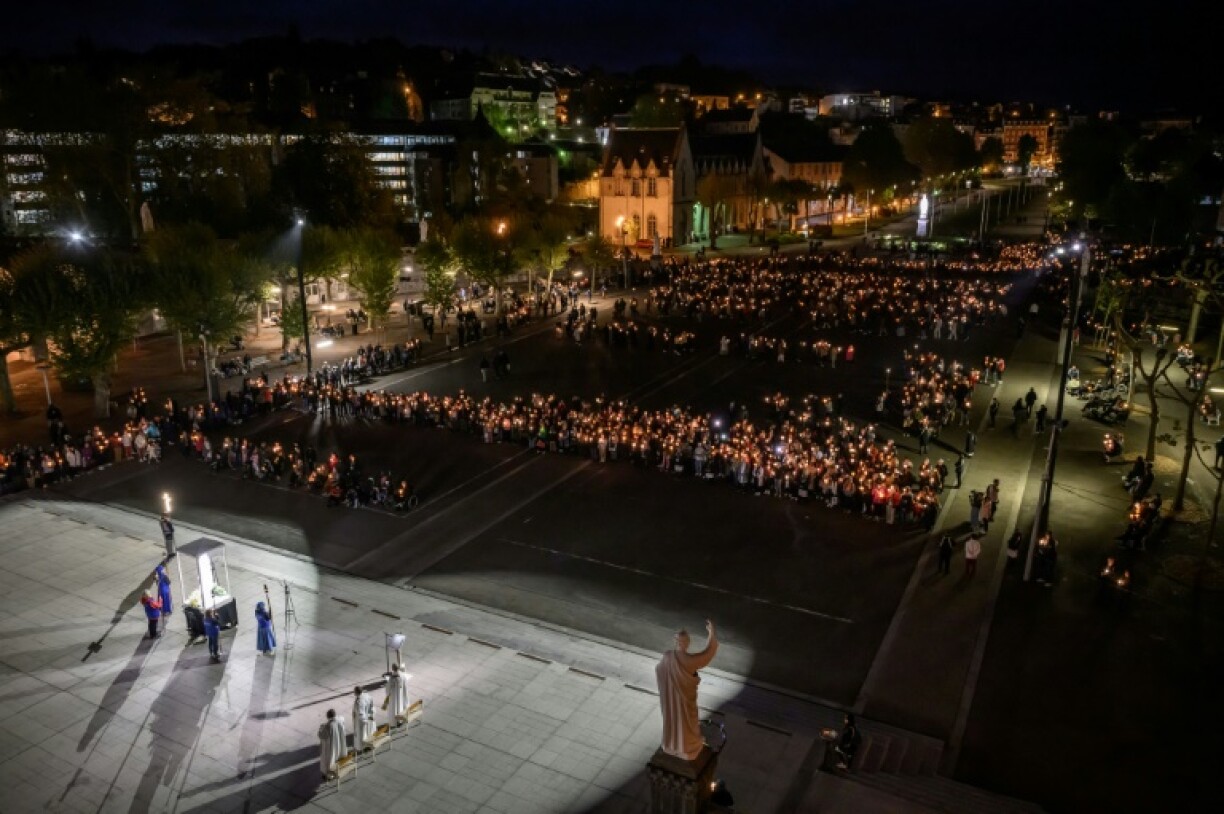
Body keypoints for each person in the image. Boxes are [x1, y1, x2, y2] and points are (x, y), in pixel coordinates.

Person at [318, 709, 347, 781]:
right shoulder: (340, 720)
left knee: (330, 760)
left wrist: (321, 728)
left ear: (328, 717)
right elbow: (342, 718)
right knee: (337, 757)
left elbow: (321, 735)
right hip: (340, 744)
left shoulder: (328, 726)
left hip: (331, 747)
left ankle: (329, 775)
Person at [352, 686, 375, 752]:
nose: (354, 693)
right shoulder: (367, 695)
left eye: (354, 692)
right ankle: (368, 745)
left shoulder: (359, 702)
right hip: (368, 716)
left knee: (361, 734)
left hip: (361, 721)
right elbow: (371, 704)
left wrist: (364, 720)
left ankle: (361, 747)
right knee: (368, 732)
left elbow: (360, 713)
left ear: (356, 692)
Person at [154, 564, 173, 630]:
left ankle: (162, 610)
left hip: (160, 590)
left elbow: (157, 583)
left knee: (161, 600)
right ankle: (167, 610)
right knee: (167, 600)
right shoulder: (164, 575)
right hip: (165, 590)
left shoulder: (157, 575)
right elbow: (169, 582)